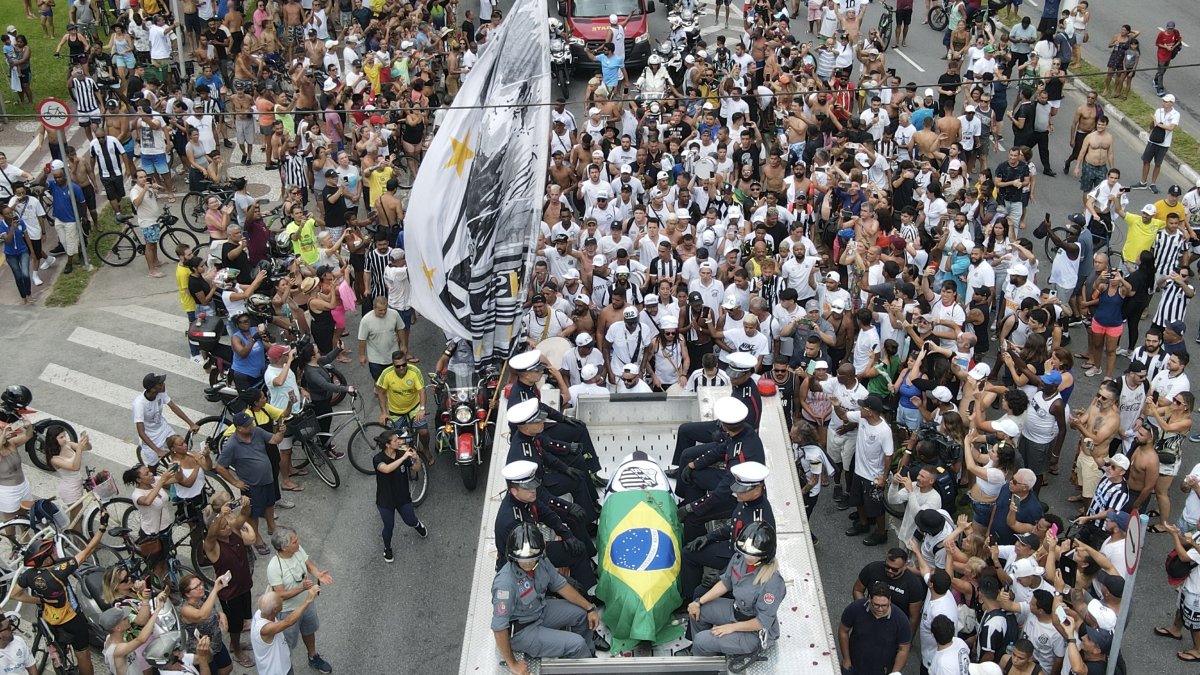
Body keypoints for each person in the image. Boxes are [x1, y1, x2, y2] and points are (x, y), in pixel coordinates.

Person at [490, 523, 601, 675]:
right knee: (577, 644)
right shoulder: (505, 584)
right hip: (523, 631)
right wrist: (513, 664)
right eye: (523, 559)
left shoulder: (540, 561)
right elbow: (499, 627)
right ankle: (587, 667)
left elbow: (560, 585)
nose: (528, 563)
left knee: (582, 614)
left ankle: (587, 656)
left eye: (533, 558)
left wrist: (590, 608)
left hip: (539, 611)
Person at [12, 510, 111, 675]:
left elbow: (16, 594)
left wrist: (38, 600)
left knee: (57, 651)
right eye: (51, 553)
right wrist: (101, 527)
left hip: (51, 620)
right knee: (83, 655)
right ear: (45, 559)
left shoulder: (28, 575)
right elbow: (88, 550)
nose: (55, 553)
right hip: (73, 620)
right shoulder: (59, 571)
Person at [686, 522, 786, 668]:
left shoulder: (773, 583)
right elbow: (726, 583)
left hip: (753, 633)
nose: (746, 557)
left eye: (751, 554)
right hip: (736, 612)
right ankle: (705, 652)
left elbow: (762, 623)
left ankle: (703, 663)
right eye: (744, 552)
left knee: (702, 640)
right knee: (698, 612)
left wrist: (731, 628)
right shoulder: (740, 559)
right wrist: (698, 602)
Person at [680, 461, 774, 601]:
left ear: (757, 489)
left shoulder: (759, 520)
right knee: (689, 553)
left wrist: (723, 576)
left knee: (700, 594)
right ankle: (687, 597)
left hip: (741, 562)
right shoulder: (746, 503)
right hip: (732, 549)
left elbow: (754, 560)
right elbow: (736, 527)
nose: (736, 493)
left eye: (742, 490)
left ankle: (694, 602)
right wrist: (709, 537)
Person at [214, 411, 287, 556]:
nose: (251, 426)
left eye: (251, 423)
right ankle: (256, 538)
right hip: (251, 485)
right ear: (239, 428)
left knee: (270, 503)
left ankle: (272, 526)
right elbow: (220, 467)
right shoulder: (232, 445)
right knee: (252, 513)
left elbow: (274, 440)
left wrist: (281, 432)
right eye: (248, 425)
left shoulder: (257, 432)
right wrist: (235, 482)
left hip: (268, 479)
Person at [265, 526, 334, 674]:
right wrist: (302, 588)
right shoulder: (274, 567)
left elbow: (308, 564)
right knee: (287, 644)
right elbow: (280, 595)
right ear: (284, 547)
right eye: (295, 541)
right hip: (288, 612)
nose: (299, 542)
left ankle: (313, 656)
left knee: (309, 631)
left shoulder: (297, 550)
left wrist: (318, 574)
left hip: (306, 603)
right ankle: (286, 669)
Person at [201, 496, 257, 669]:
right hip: (230, 593)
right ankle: (236, 648)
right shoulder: (212, 546)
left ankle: (237, 643)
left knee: (242, 620)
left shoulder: (233, 530)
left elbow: (244, 516)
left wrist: (246, 504)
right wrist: (218, 518)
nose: (227, 528)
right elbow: (211, 535)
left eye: (226, 524)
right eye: (222, 526)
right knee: (234, 626)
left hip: (244, 586)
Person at [372, 428, 428, 563]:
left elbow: (417, 469)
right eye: (396, 440)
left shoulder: (402, 454)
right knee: (389, 526)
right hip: (385, 500)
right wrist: (403, 458)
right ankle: (387, 548)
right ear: (387, 444)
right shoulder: (378, 459)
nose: (400, 441)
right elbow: (386, 469)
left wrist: (416, 459)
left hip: (402, 497)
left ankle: (417, 524)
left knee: (410, 520)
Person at [839, 580, 913, 675]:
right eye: (876, 605)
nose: (880, 609)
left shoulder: (901, 620)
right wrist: (846, 659)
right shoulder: (855, 608)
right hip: (853, 667)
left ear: (889, 600)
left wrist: (894, 673)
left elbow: (903, 649)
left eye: (884, 605)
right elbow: (843, 631)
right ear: (869, 598)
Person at [375, 350, 433, 464]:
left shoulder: (414, 371)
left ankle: (425, 448)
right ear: (393, 365)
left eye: (404, 364)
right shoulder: (386, 374)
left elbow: (421, 391)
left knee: (424, 432)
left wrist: (421, 409)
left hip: (414, 408)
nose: (401, 368)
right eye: (398, 366)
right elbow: (381, 393)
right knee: (402, 440)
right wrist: (383, 412)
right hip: (396, 412)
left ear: (407, 362)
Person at [133, 373, 199, 467]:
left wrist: (191, 424)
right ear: (152, 389)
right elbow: (141, 432)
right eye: (160, 383)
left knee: (180, 448)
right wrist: (157, 450)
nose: (163, 384)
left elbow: (173, 407)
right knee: (153, 469)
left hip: (164, 430)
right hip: (150, 439)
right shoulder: (139, 404)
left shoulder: (160, 393)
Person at [250, 588, 320, 675]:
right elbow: (288, 622)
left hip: (282, 666)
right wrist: (307, 600)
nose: (282, 599)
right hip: (278, 671)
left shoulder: (262, 611)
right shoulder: (265, 629)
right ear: (275, 609)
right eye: (280, 600)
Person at [98, 591, 169, 675]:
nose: (127, 618)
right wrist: (157, 609)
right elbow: (141, 639)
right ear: (118, 628)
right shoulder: (118, 649)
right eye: (124, 619)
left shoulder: (111, 638)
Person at [178, 573, 234, 675]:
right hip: (203, 650)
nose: (202, 587)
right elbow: (202, 615)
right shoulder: (185, 609)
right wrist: (215, 589)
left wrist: (221, 615)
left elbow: (211, 610)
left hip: (216, 643)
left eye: (201, 583)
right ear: (187, 594)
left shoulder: (203, 597)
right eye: (197, 587)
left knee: (227, 668)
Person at [1135, 95, 1181, 195]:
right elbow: (1153, 124)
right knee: (1146, 161)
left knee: (1158, 164)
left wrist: (1157, 123)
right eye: (1163, 101)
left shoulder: (1175, 114)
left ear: (1171, 103)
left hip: (1164, 144)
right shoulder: (1158, 111)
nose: (1164, 103)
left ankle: (1153, 184)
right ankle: (1143, 182)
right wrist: (1152, 123)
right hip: (1153, 141)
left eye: (1166, 101)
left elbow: (1171, 128)